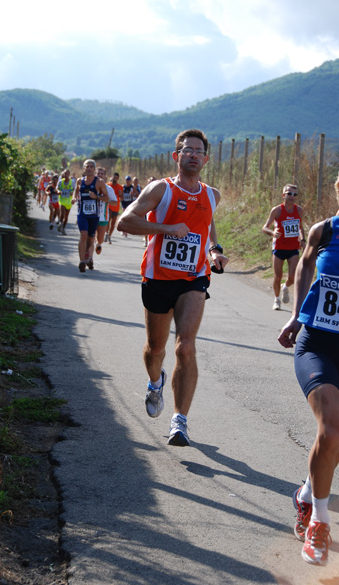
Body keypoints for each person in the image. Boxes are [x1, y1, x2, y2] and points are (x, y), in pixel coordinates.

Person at [117, 129, 228, 446]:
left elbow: (207, 226)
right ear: (175, 155)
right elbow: (125, 221)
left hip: (193, 278)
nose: (193, 154)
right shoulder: (160, 190)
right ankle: (155, 382)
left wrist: (214, 250)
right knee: (156, 349)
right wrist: (166, 229)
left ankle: (180, 421)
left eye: (198, 150)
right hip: (158, 279)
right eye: (186, 149)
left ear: (206, 158)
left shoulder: (212, 195)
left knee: (186, 346)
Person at [278, 153, 339, 566]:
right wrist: (296, 316)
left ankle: (306, 493)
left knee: (335, 444)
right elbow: (304, 266)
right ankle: (319, 524)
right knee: (329, 431)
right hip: (319, 345)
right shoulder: (324, 230)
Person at [262, 184, 305, 310]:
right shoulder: (277, 210)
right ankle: (276, 299)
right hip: (279, 247)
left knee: (293, 276)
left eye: (295, 194)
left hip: (293, 248)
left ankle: (285, 287)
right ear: (283, 195)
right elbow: (265, 227)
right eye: (289, 193)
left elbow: (300, 227)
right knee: (277, 276)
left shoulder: (299, 210)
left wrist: (302, 239)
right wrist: (273, 233)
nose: (292, 196)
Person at [72, 159, 109, 272]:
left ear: (94, 169)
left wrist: (96, 197)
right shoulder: (80, 181)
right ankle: (82, 261)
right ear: (84, 169)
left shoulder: (99, 182)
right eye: (86, 166)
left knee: (90, 238)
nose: (88, 168)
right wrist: (74, 197)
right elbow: (76, 190)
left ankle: (87, 254)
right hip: (82, 213)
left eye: (90, 167)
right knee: (83, 235)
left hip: (94, 215)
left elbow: (107, 198)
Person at [94, 166, 117, 254]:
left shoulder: (109, 189)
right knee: (90, 237)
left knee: (100, 240)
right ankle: (89, 258)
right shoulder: (92, 186)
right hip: (91, 216)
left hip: (103, 217)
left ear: (105, 176)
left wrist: (105, 200)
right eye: (98, 173)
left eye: (102, 174)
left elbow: (115, 203)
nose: (100, 175)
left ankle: (98, 244)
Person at [105, 172, 123, 244]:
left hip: (116, 207)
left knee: (113, 224)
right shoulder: (107, 185)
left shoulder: (120, 187)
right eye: (114, 177)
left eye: (116, 178)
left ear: (118, 178)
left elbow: (122, 198)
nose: (115, 179)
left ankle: (109, 235)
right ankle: (106, 233)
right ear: (111, 177)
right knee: (107, 221)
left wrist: (120, 194)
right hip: (108, 206)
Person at [58, 169, 75, 235]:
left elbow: (75, 190)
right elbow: (57, 188)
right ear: (63, 174)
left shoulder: (72, 182)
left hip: (69, 201)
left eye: (67, 173)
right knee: (62, 213)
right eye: (65, 173)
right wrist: (58, 191)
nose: (66, 175)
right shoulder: (60, 182)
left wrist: (72, 195)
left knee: (66, 217)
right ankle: (60, 223)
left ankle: (63, 228)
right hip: (62, 200)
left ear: (69, 174)